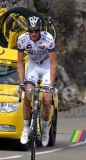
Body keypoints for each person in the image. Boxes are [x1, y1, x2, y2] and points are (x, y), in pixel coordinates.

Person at [16, 16, 57, 147]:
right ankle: (26, 128)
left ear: (40, 30)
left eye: (36, 31)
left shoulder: (48, 39)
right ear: (28, 30)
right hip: (33, 66)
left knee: (46, 100)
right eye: (31, 31)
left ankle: (45, 129)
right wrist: (21, 83)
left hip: (46, 67)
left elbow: (53, 64)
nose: (33, 33)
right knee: (27, 96)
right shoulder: (22, 39)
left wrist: (51, 85)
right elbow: (19, 63)